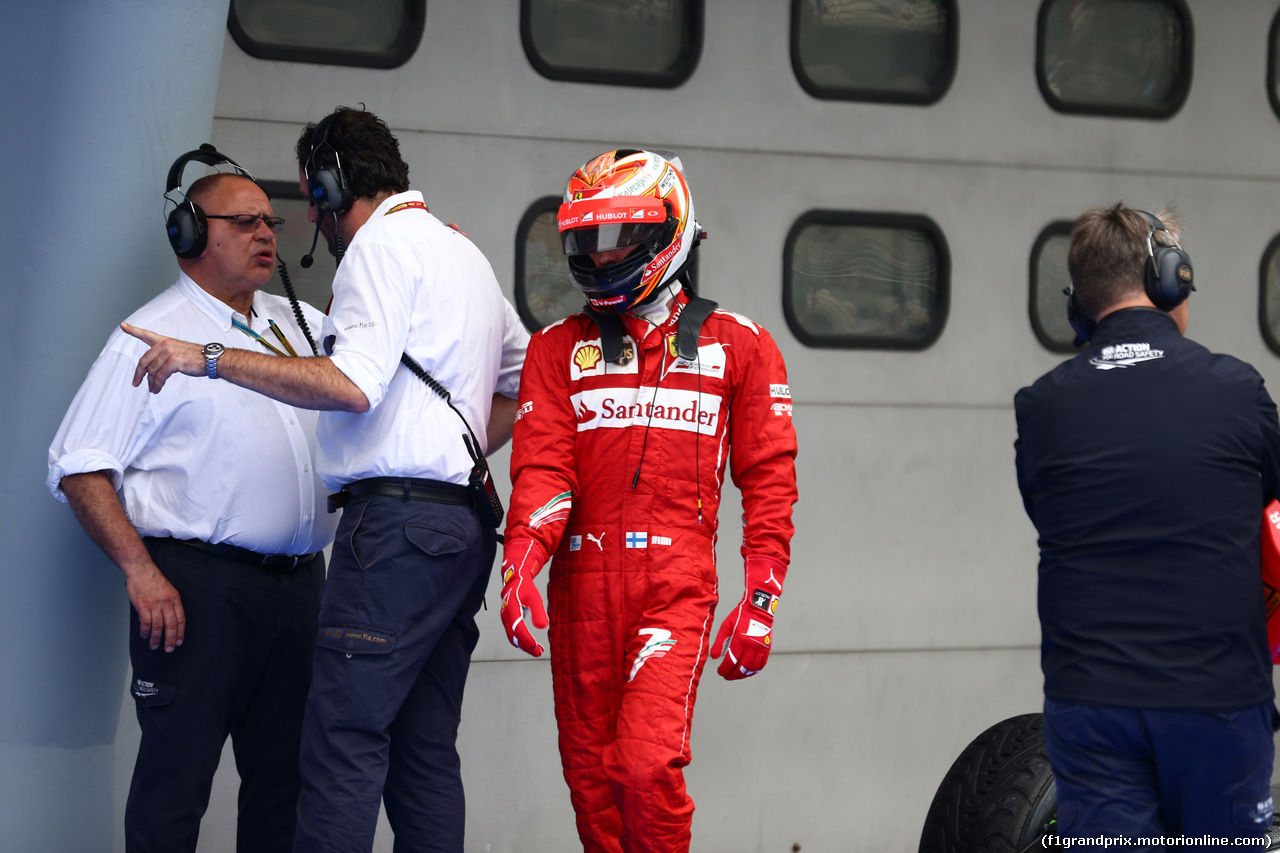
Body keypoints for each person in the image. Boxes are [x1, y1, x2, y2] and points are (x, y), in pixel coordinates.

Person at [123, 107, 529, 853]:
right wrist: (450, 448)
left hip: (396, 533)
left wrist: (207, 357)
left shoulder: (378, 248)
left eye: (312, 196)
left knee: (341, 739)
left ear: (336, 185)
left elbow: (351, 383)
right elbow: (524, 378)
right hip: (460, 527)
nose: (310, 217)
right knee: (424, 749)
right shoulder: (461, 254)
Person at [497, 149, 798, 852]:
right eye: (587, 241)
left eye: (619, 239)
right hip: (582, 590)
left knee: (644, 763)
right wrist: (519, 566)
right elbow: (542, 469)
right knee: (594, 790)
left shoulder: (741, 347)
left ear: (670, 231)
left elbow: (770, 481)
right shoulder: (554, 349)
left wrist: (762, 600)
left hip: (674, 588)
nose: (602, 259)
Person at [48, 146, 336, 853]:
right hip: (198, 588)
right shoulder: (149, 334)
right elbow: (79, 466)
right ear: (189, 234)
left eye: (269, 221)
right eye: (243, 222)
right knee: (175, 786)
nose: (266, 234)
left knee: (288, 785)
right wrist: (142, 572)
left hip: (300, 589)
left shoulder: (297, 323)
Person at [1014, 203, 1280, 846]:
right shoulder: (1237, 389)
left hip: (1090, 701)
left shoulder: (1042, 407)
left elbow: (1048, 509)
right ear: (1171, 279)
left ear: (1078, 304)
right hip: (1215, 697)